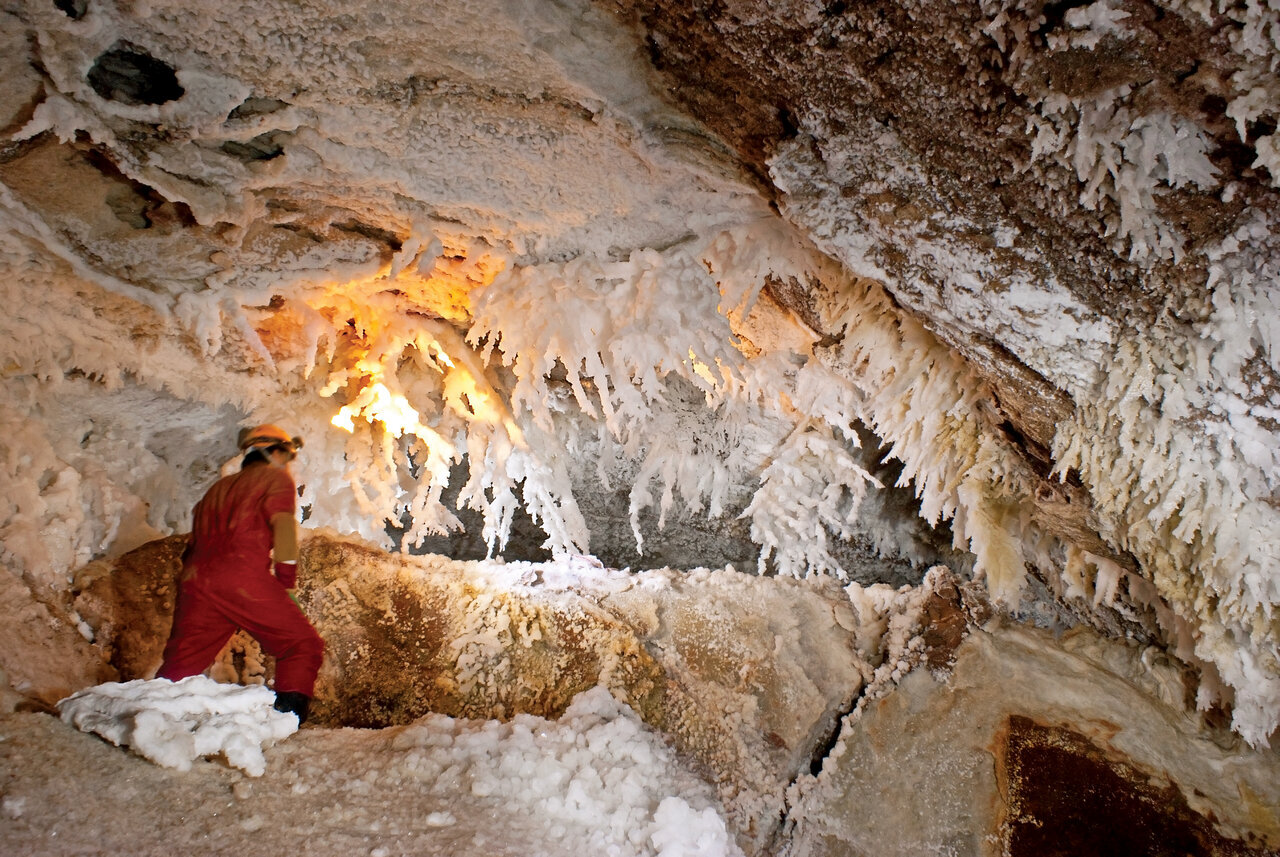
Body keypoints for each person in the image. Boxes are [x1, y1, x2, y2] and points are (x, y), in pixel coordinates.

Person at [157, 424, 324, 724]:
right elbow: (284, 531)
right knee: (301, 644)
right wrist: (286, 584)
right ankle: (285, 724)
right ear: (275, 452)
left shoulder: (217, 489)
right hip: (242, 576)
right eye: (287, 456)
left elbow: (193, 544)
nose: (288, 463)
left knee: (181, 663)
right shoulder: (275, 479)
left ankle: (152, 716)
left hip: (195, 581)